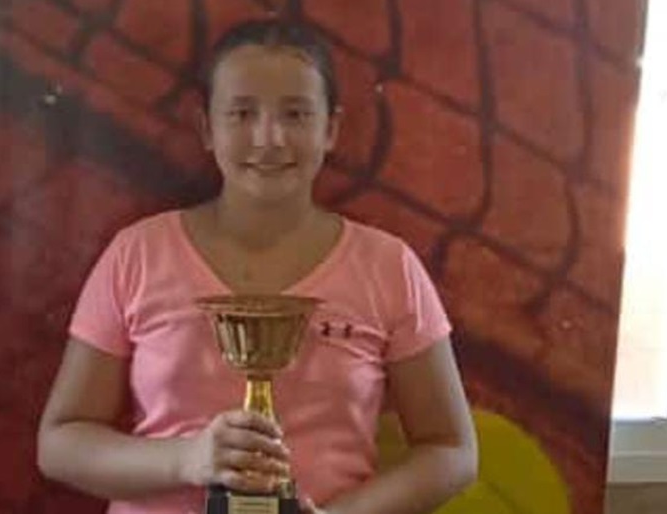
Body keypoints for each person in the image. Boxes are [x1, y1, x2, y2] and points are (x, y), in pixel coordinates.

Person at [37, 18, 477, 514]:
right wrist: (186, 459)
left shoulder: (388, 267)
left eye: (296, 114)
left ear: (331, 128)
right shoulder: (137, 254)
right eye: (242, 113)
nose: (269, 138)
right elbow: (60, 443)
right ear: (207, 128)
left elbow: (451, 451)